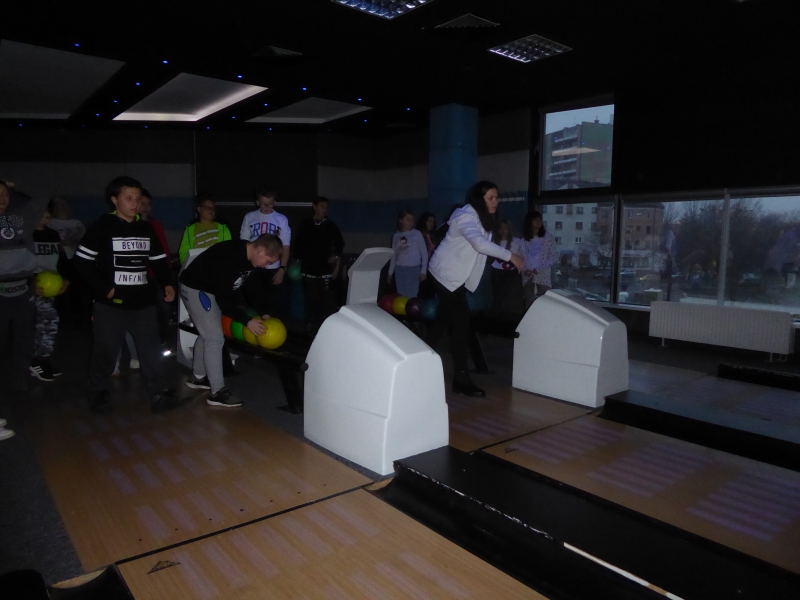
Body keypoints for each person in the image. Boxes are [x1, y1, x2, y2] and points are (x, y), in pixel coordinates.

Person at [74, 176, 185, 414]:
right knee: (105, 352)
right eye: (129, 198)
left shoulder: (145, 228)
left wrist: (167, 283)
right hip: (110, 306)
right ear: (114, 200)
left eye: (138, 199)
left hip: (143, 304)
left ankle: (158, 394)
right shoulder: (102, 226)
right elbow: (81, 262)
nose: (135, 203)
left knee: (151, 351)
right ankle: (97, 393)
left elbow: (158, 260)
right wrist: (103, 288)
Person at [427, 181, 524, 397]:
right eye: (490, 198)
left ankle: (419, 356)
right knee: (462, 321)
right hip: (444, 274)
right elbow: (479, 244)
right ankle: (461, 378)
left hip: (454, 276)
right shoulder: (465, 217)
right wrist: (510, 256)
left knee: (443, 319)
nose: (495, 202)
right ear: (480, 200)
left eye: (496, 197)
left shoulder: (483, 218)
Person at [179, 235, 282, 407]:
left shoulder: (250, 259)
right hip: (195, 288)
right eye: (267, 261)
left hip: (210, 289)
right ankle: (217, 392)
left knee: (209, 332)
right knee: (214, 337)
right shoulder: (229, 257)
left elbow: (252, 288)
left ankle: (197, 377)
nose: (266, 266)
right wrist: (247, 321)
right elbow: (225, 300)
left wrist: (264, 313)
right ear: (260, 250)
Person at [0, 180, 47, 392]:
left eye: (5, 194)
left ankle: (20, 378)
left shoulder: (22, 218)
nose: (2, 199)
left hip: (23, 290)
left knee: (24, 338)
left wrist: (15, 185)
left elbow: (42, 195)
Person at [30, 201, 71, 381]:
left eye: (48, 217)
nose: (44, 220)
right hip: (34, 286)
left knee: (45, 323)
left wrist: (66, 279)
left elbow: (62, 260)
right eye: (42, 217)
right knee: (49, 318)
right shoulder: (27, 235)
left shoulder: (53, 235)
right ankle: (37, 360)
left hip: (52, 284)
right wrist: (30, 283)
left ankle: (42, 360)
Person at [294, 196, 345, 331]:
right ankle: (310, 323)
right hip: (309, 267)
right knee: (310, 298)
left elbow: (340, 243)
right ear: (314, 207)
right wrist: (297, 259)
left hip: (324, 268)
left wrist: (336, 256)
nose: (324, 209)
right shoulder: (306, 224)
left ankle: (329, 325)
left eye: (326, 207)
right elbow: (299, 243)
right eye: (322, 206)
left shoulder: (330, 225)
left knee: (327, 299)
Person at [239, 187, 291, 318]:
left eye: (270, 203)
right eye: (263, 203)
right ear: (257, 202)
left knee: (273, 305)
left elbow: (285, 246)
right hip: (254, 267)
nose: (267, 207)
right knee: (255, 302)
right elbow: (243, 242)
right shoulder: (249, 217)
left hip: (273, 268)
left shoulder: (281, 219)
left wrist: (282, 269)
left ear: (275, 202)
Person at [179, 194, 232, 264]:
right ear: (199, 209)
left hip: (217, 264)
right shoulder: (190, 229)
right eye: (207, 208)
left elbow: (228, 247)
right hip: (198, 264)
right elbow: (184, 250)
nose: (211, 210)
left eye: (212, 208)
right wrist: (188, 264)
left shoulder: (223, 227)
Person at [521, 210, 558, 307]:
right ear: (529, 221)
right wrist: (525, 270)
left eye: (540, 219)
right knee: (529, 302)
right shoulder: (523, 240)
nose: (538, 222)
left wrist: (539, 269)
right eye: (535, 219)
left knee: (544, 303)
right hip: (528, 275)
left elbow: (553, 257)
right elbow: (520, 258)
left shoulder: (548, 237)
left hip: (543, 274)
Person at [388, 209, 428, 298]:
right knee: (401, 296)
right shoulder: (396, 235)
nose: (410, 222)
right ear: (401, 220)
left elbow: (424, 253)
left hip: (413, 268)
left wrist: (423, 270)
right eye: (407, 219)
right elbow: (393, 255)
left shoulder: (417, 234)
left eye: (412, 220)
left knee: (411, 295)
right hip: (399, 268)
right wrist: (390, 272)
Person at [490, 218, 525, 318]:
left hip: (511, 273)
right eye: (501, 228)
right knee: (498, 296)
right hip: (497, 272)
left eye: (505, 228)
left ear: (509, 229)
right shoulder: (493, 242)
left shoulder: (516, 241)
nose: (503, 230)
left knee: (511, 297)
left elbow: (522, 256)